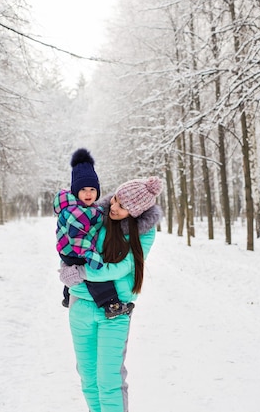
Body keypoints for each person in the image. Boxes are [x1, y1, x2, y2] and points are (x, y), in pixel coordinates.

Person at [59, 176, 164, 412]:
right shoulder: (95, 215)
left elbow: (121, 268)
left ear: (136, 212)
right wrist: (67, 270)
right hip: (81, 305)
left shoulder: (144, 232)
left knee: (110, 381)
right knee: (89, 378)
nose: (113, 208)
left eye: (122, 206)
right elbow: (71, 243)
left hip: (115, 312)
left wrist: (81, 272)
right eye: (115, 200)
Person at [54, 148, 133, 319]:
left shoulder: (86, 207)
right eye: (83, 190)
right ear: (75, 191)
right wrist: (91, 256)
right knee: (94, 275)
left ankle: (68, 296)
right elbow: (78, 239)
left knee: (75, 269)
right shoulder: (76, 212)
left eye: (92, 189)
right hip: (73, 248)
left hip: (68, 247)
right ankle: (110, 304)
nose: (88, 193)